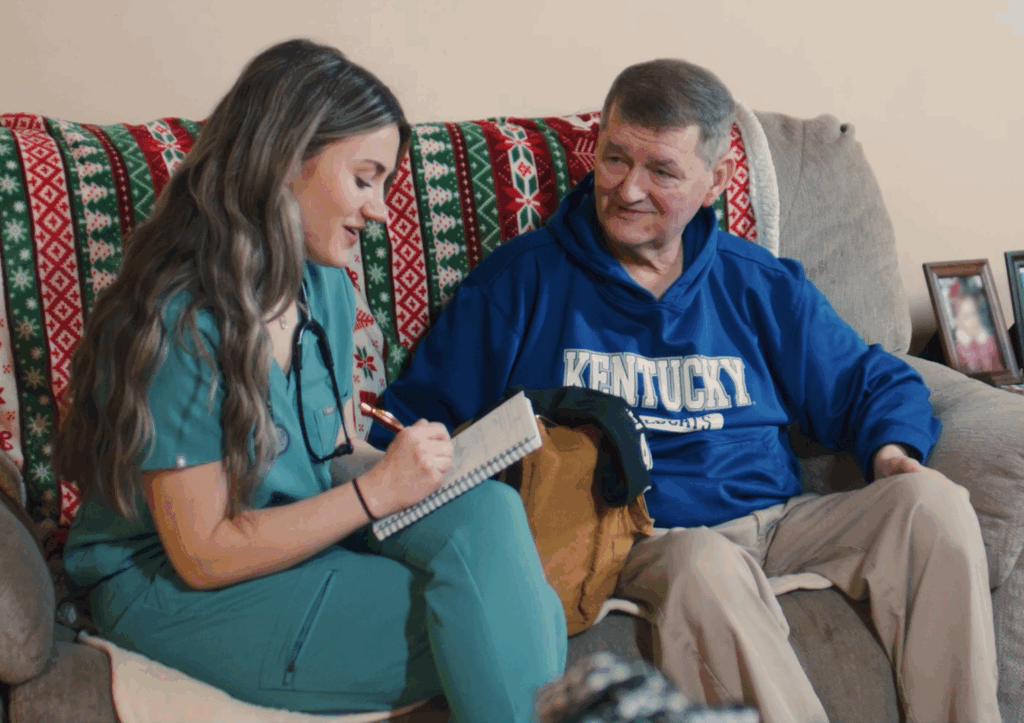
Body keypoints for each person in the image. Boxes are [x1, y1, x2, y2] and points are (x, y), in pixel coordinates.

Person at [371, 59, 1000, 722]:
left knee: (932, 505)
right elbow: (419, 415)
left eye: (662, 171)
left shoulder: (753, 281)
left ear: (715, 180)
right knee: (705, 562)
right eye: (615, 159)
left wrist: (893, 456)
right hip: (646, 539)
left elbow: (871, 379)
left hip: (778, 521)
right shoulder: (523, 284)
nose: (629, 189)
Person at [55, 38, 566, 722]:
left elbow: (331, 454)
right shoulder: (179, 325)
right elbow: (202, 553)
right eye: (364, 178)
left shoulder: (321, 286)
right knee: (499, 620)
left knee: (493, 518)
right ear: (287, 163)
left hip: (290, 539)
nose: (380, 210)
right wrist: (376, 491)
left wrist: (417, 470)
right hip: (175, 585)